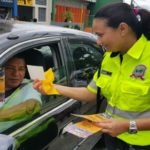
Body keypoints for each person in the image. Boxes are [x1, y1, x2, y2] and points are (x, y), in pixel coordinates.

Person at [33, 2, 150, 150]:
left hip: (142, 144)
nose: (98, 41)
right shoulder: (110, 58)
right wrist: (53, 88)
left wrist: (128, 126)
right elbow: (91, 93)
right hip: (112, 137)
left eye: (100, 35)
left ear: (122, 29)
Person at [0, 54, 42, 132]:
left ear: (25, 71)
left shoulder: (30, 85)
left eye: (21, 69)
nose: (15, 74)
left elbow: (31, 106)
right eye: (10, 68)